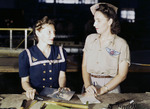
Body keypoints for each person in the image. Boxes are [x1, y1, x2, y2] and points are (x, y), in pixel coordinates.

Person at [82, 3, 130, 96]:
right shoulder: (90, 39)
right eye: (94, 20)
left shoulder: (121, 44)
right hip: (90, 88)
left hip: (111, 89)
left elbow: (122, 75)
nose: (95, 24)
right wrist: (88, 85)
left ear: (110, 22)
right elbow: (84, 66)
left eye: (99, 21)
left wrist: (103, 90)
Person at [19, 16, 69, 100]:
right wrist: (29, 89)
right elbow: (25, 81)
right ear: (38, 33)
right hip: (36, 96)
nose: (53, 35)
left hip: (55, 96)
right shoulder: (26, 55)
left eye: (54, 32)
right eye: (49, 32)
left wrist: (62, 87)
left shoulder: (61, 52)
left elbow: (62, 76)